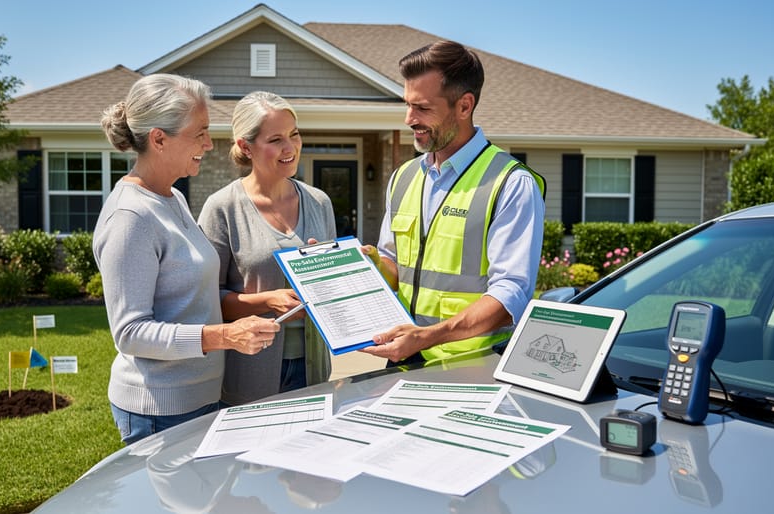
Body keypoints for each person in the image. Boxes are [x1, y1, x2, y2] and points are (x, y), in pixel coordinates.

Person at [95, 74, 279, 445]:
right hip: (158, 410)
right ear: (159, 139)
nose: (209, 144)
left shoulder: (173, 198)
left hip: (199, 398)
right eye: (200, 133)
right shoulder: (130, 217)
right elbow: (130, 333)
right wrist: (225, 336)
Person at [362, 40, 546, 367]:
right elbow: (395, 266)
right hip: (403, 363)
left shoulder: (510, 183)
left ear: (464, 106)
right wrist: (365, 265)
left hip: (474, 370)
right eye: (407, 105)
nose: (408, 119)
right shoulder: (402, 178)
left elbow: (510, 295)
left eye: (422, 108)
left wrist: (428, 335)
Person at [198, 91, 336, 406]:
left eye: (294, 134)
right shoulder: (222, 208)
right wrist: (267, 301)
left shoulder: (319, 203)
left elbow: (329, 289)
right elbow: (206, 301)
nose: (290, 148)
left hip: (313, 370)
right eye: (275, 140)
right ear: (246, 147)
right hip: (250, 372)